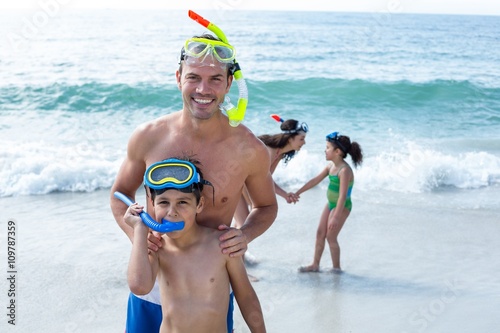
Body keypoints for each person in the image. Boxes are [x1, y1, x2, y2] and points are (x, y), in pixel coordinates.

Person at [110, 26, 277, 332]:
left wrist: (245, 236)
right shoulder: (149, 137)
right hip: (155, 281)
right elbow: (119, 193)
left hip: (212, 281)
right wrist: (139, 239)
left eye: (215, 79)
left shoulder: (249, 149)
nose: (204, 89)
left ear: (229, 84)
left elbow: (266, 207)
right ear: (178, 79)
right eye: (194, 77)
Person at [124, 158, 266, 333]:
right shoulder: (158, 249)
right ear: (152, 204)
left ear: (199, 205)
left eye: (182, 202)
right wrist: (139, 229)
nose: (172, 212)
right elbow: (139, 286)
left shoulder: (221, 245)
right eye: (163, 202)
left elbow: (246, 297)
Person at [233, 115, 308, 265]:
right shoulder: (268, 151)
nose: (304, 143)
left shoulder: (279, 153)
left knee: (241, 228)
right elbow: (246, 177)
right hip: (234, 184)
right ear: (290, 138)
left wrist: (285, 194)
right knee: (243, 228)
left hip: (241, 186)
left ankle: (239, 263)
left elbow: (266, 179)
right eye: (301, 139)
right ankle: (239, 271)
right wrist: (255, 204)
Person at [295, 132, 363, 273]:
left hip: (342, 207)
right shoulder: (330, 167)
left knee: (331, 236)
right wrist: (298, 192)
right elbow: (314, 180)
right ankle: (315, 264)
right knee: (320, 233)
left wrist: (336, 217)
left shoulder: (344, 171)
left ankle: (336, 269)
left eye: (327, 148)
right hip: (330, 204)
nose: (324, 151)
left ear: (337, 152)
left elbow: (343, 197)